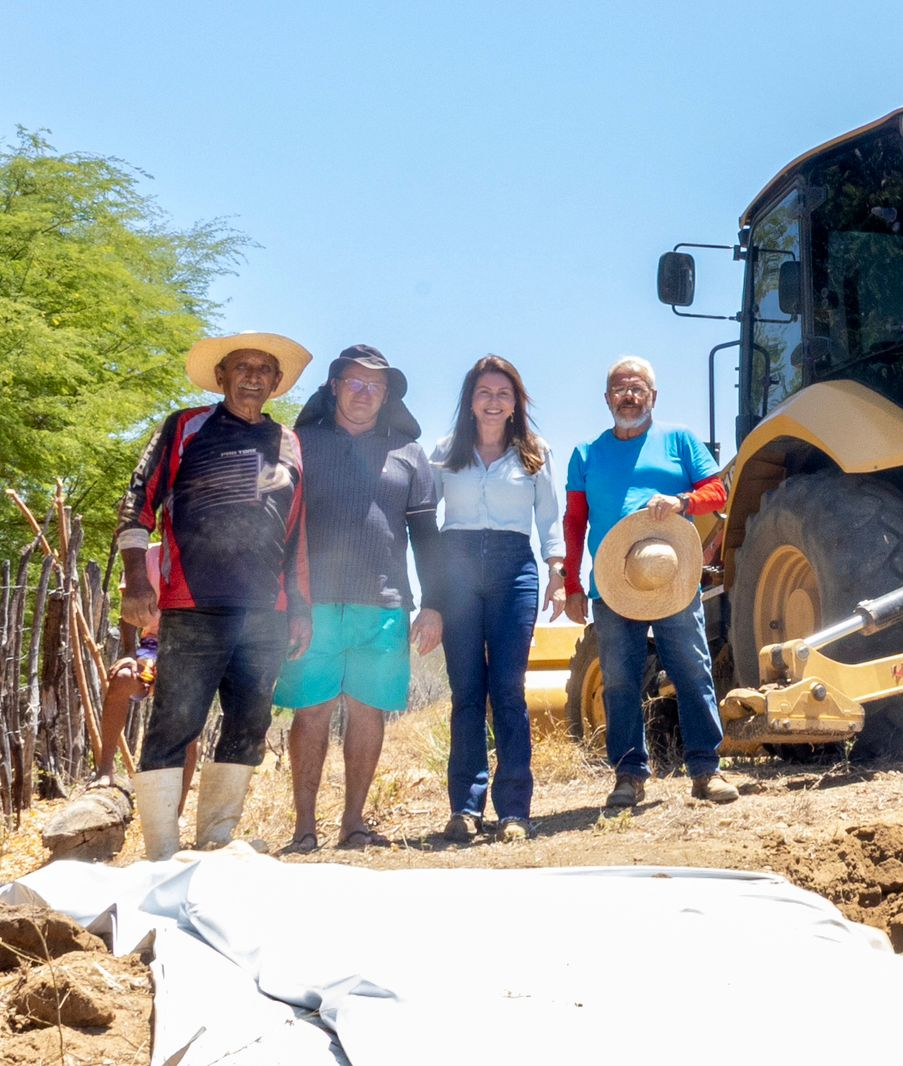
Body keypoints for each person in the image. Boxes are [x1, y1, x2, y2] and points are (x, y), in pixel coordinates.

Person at [116, 332, 313, 860]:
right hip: (192, 603)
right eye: (242, 367)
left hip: (266, 612)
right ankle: (161, 850)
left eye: (264, 369)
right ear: (221, 376)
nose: (253, 376)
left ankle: (217, 840)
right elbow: (137, 501)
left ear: (276, 381)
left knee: (250, 723)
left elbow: (297, 533)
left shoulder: (289, 443)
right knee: (175, 723)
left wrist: (300, 607)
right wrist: (137, 580)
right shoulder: (185, 426)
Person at [274, 345, 442, 853]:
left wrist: (434, 603)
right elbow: (280, 526)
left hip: (384, 604)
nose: (364, 393)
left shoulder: (409, 454)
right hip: (312, 605)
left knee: (369, 712)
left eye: (375, 386)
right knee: (312, 711)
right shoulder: (300, 444)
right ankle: (304, 828)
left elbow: (426, 536)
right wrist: (286, 600)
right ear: (334, 387)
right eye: (354, 382)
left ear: (387, 395)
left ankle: (354, 824)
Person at [562, 355, 738, 807]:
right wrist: (572, 585)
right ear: (607, 399)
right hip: (612, 586)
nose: (629, 395)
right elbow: (575, 522)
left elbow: (717, 492)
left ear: (653, 396)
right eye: (620, 388)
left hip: (671, 576)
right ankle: (628, 776)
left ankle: (706, 770)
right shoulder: (585, 454)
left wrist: (682, 502)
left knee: (692, 671)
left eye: (638, 388)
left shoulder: (680, 440)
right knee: (620, 681)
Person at [431, 355, 564, 843]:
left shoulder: (535, 452)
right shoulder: (445, 451)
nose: (493, 401)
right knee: (466, 691)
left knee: (508, 689)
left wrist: (556, 572)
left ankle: (514, 810)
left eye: (503, 393)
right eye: (484, 392)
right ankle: (465, 809)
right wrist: (431, 590)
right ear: (470, 401)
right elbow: (423, 516)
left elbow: (549, 518)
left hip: (515, 570)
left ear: (515, 403)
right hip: (457, 568)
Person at [95, 545, 199, 797]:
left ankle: (177, 808)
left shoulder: (206, 556)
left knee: (189, 714)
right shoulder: (145, 556)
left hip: (195, 648)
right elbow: (129, 610)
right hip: (153, 645)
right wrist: (130, 653)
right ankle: (104, 769)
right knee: (122, 678)